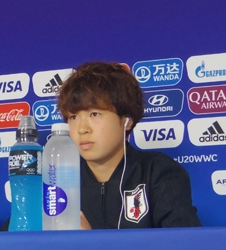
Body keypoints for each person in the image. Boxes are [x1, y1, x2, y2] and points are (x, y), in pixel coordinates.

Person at [57, 61, 201, 229]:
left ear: (127, 121)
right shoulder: (59, 180)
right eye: (73, 117)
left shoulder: (158, 172)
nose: (82, 129)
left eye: (94, 114)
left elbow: (183, 248)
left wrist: (91, 242)